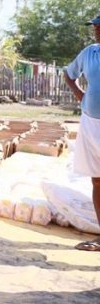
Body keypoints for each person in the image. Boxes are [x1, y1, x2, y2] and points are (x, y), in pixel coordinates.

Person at [64, 13, 100, 252]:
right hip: (90, 123)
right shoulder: (90, 53)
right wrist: (82, 97)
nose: (96, 29)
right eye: (95, 26)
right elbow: (68, 73)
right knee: (97, 180)